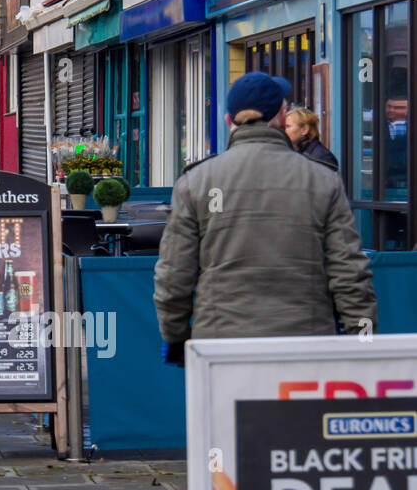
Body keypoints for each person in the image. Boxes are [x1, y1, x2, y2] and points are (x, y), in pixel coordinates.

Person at [154, 72, 375, 363]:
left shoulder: (196, 182)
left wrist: (176, 339)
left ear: (228, 121)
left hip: (220, 351)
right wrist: (363, 344)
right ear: (283, 118)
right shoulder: (323, 180)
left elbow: (173, 278)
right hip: (305, 347)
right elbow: (349, 273)